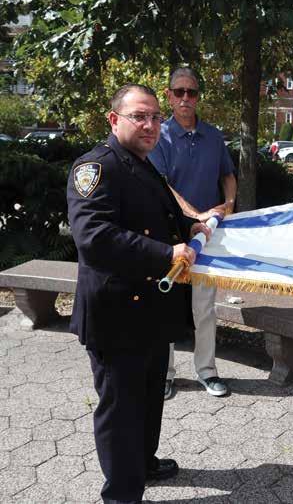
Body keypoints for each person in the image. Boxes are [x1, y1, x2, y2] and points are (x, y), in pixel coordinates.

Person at [67, 83, 209, 504]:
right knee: (121, 409)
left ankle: (143, 463)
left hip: (150, 311)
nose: (150, 125)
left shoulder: (143, 164)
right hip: (116, 315)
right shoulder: (96, 167)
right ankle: (122, 494)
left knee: (148, 399)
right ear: (115, 120)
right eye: (139, 117)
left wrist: (188, 227)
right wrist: (167, 253)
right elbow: (94, 236)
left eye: (155, 117)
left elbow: (157, 215)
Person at [149, 67, 237, 399]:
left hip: (207, 237)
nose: (186, 97)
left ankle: (207, 371)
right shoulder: (159, 135)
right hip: (171, 234)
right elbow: (162, 186)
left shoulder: (214, 136)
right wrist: (194, 215)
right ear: (169, 96)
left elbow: (228, 175)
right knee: (165, 306)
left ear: (198, 96)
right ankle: (165, 374)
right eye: (179, 92)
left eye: (192, 92)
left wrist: (229, 205)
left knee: (205, 308)